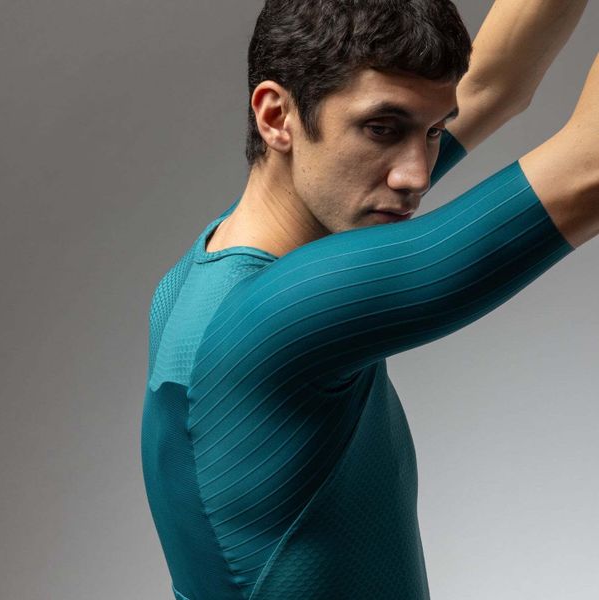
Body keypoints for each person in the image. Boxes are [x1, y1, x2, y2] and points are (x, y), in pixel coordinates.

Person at [141, 1, 597, 599]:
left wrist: (414, 123)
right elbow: (589, 168)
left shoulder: (207, 274)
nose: (416, 176)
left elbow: (490, 84)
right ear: (276, 116)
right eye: (383, 129)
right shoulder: (283, 316)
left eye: (433, 132)